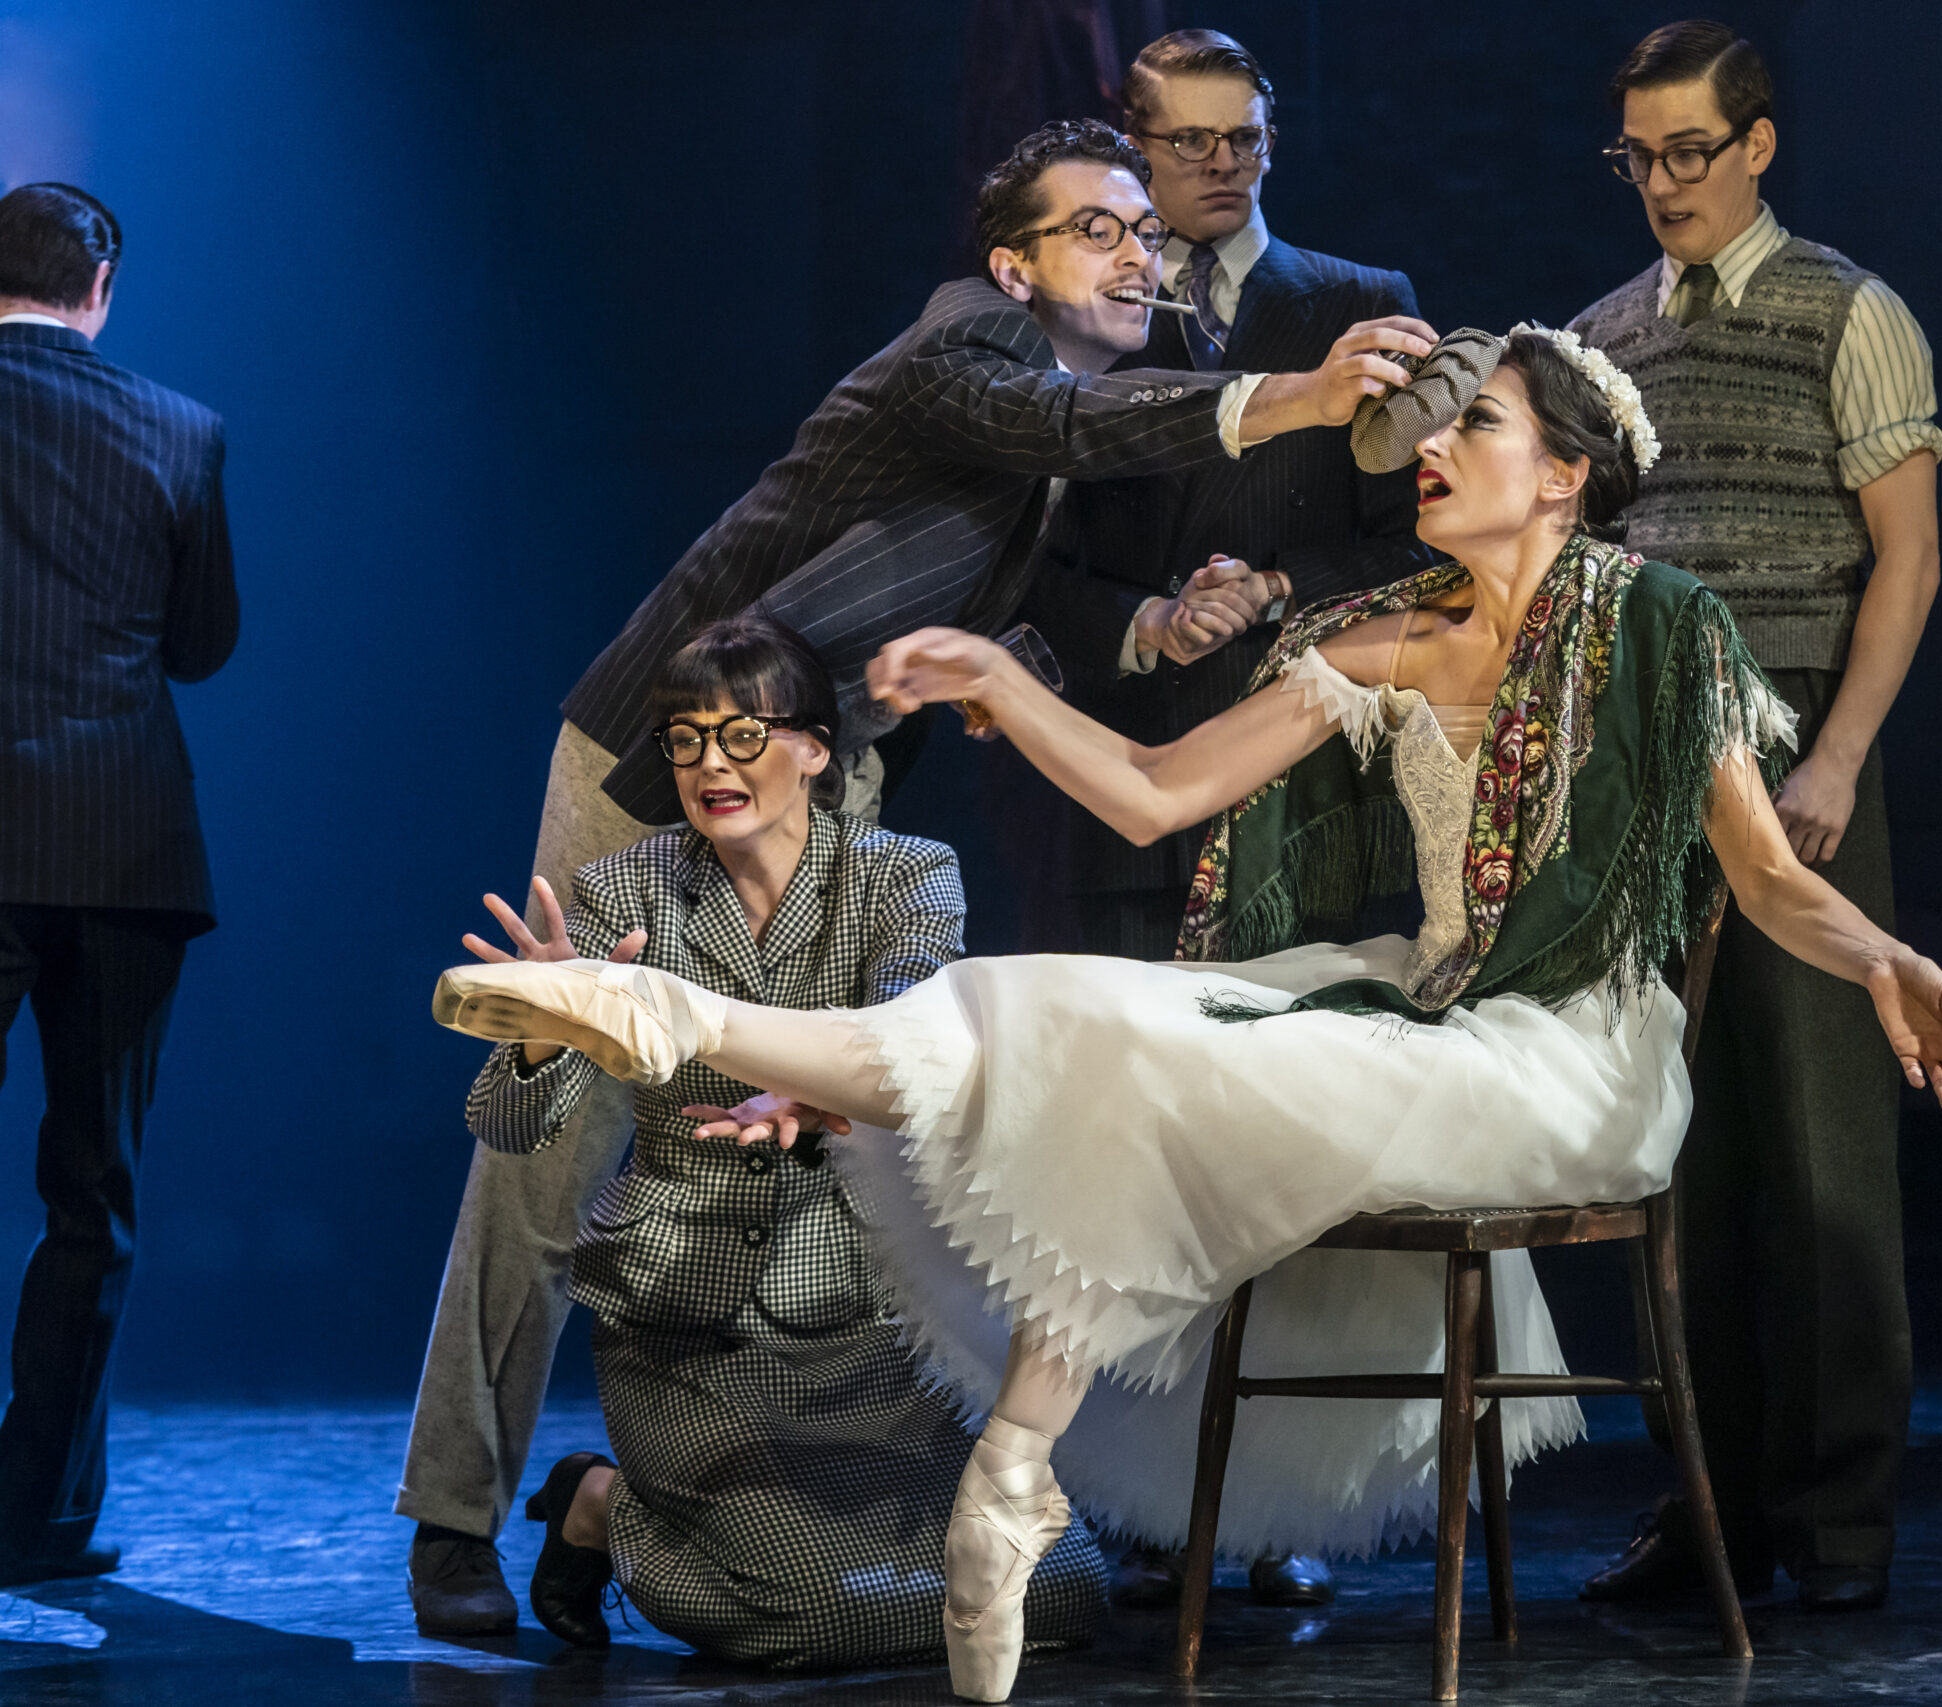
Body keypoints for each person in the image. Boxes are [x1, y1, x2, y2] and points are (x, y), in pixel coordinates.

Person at [432, 327, 1942, 1702]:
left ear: (1568, 475)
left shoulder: (1665, 630)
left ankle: (723, 1077)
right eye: (1434, 432)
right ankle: (668, 1016)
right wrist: (1000, 674)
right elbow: (1153, 791)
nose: (1433, 453)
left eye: (1478, 430)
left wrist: (1882, 959)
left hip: (1572, 1053)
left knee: (1183, 1040)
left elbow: (1773, 883)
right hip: (1422, 1008)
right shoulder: (1385, 638)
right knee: (1055, 1001)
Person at [396, 118, 1438, 1634]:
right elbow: (1076, 435)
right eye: (1102, 228)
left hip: (831, 784)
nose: (1139, 252)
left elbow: (1004, 601)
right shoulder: (969, 344)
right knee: (566, 1128)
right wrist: (1299, 393)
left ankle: (736, 1501)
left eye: (1146, 230)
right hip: (664, 753)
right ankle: (453, 1514)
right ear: (1015, 262)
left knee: (851, 1133)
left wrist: (1148, 627)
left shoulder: (1048, 420)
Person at [448, 615, 1107, 1666]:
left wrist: (811, 1092)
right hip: (688, 1324)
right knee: (813, 1617)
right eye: (686, 738)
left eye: (743, 735)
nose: (711, 763)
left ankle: (636, 1514)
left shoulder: (902, 876)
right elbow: (508, 1125)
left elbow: (911, 1030)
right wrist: (545, 1034)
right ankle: (598, 1509)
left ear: (816, 748)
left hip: (859, 1316)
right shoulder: (629, 891)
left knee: (1061, 1594)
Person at [1015, 26, 1436, 1607]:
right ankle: (1133, 1486)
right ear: (1131, 144)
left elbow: (1423, 534)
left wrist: (1270, 593)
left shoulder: (1351, 299)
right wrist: (1147, 619)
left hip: (1307, 779)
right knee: (1133, 1149)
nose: (1215, 165)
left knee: (1281, 1140)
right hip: (1127, 775)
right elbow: (1033, 548)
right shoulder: (1090, 313)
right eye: (1184, 140)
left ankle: (1276, 1496)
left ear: (1273, 140)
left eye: (1239, 139)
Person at [1564, 22, 1942, 1616]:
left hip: (1794, 739)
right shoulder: (1599, 338)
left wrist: (1841, 759)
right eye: (1636, 157)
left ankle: (1842, 1513)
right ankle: (1710, 1506)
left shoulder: (1850, 312)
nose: (1661, 183)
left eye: (1688, 153)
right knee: (1683, 1146)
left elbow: (1908, 560)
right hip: (1653, 758)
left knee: (1821, 1146)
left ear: (1758, 144)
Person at [0, 183, 237, 1585]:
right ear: (102, 289)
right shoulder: (181, 428)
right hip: (124, 842)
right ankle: (37, 1516)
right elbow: (203, 644)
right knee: (95, 1189)